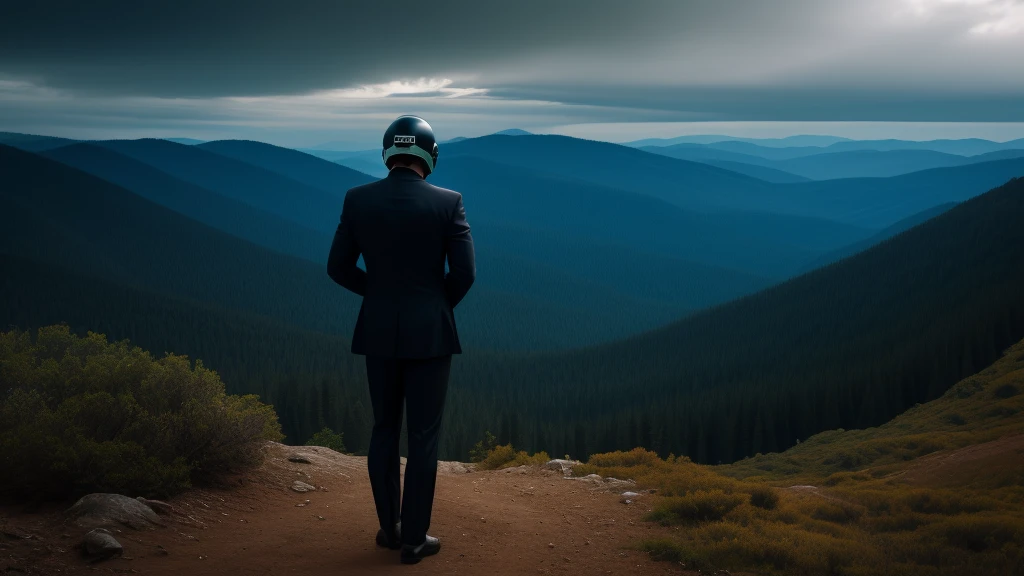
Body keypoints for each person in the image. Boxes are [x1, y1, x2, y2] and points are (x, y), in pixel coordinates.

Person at [327, 115, 475, 565]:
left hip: (378, 331)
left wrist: (378, 295)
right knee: (423, 436)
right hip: (430, 335)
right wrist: (435, 305)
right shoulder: (449, 202)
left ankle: (388, 530)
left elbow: (338, 268)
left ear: (387, 151)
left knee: (384, 428)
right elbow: (465, 274)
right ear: (430, 154)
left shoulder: (358, 199)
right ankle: (414, 539)